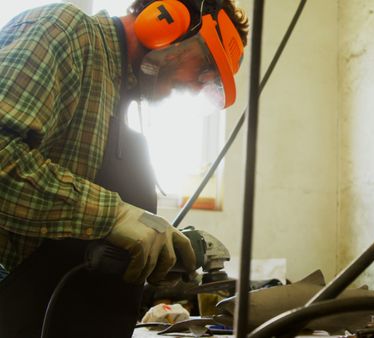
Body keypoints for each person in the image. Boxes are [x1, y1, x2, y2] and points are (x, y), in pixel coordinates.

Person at [0, 0, 248, 337]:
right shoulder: (64, 32)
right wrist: (112, 215)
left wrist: (153, 263)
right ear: (168, 20)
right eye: (204, 68)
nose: (195, 87)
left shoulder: (119, 95)